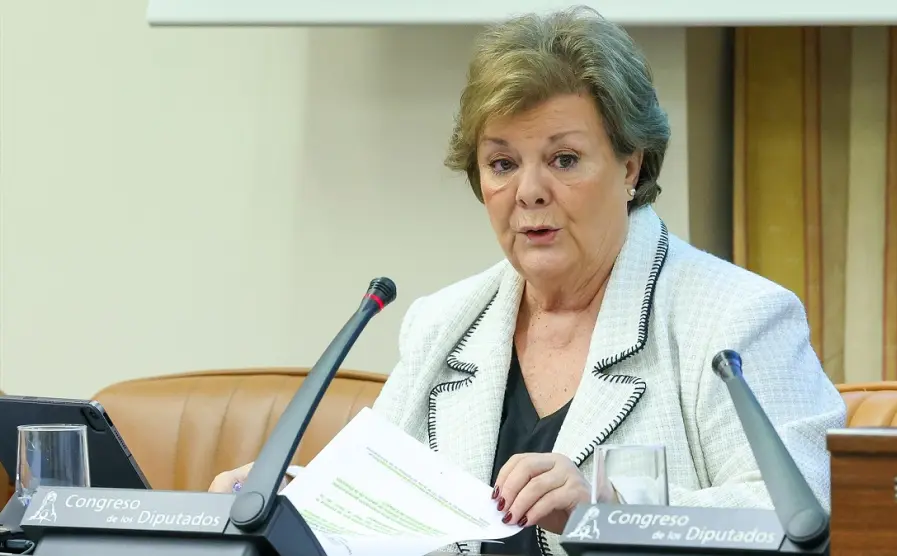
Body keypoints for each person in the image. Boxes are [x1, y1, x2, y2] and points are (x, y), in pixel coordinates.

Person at [209, 6, 847, 556]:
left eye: (564, 159)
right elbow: (379, 505)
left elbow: (808, 520)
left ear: (631, 166)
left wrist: (605, 511)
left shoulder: (736, 318)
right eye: (502, 163)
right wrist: (289, 501)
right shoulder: (444, 324)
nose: (530, 192)